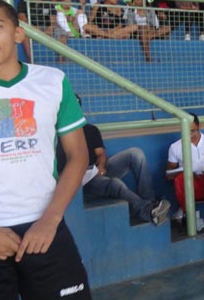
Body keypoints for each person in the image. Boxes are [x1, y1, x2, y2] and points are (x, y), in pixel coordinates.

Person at [0, 0, 116, 300]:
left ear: (18, 32)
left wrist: (49, 220)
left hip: (44, 229)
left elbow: (78, 156)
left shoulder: (51, 81)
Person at [56, 96, 170, 225]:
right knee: (115, 184)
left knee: (135, 153)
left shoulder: (90, 129)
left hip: (95, 171)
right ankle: (148, 212)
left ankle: (150, 201)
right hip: (80, 184)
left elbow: (101, 154)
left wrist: (101, 167)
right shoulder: (56, 136)